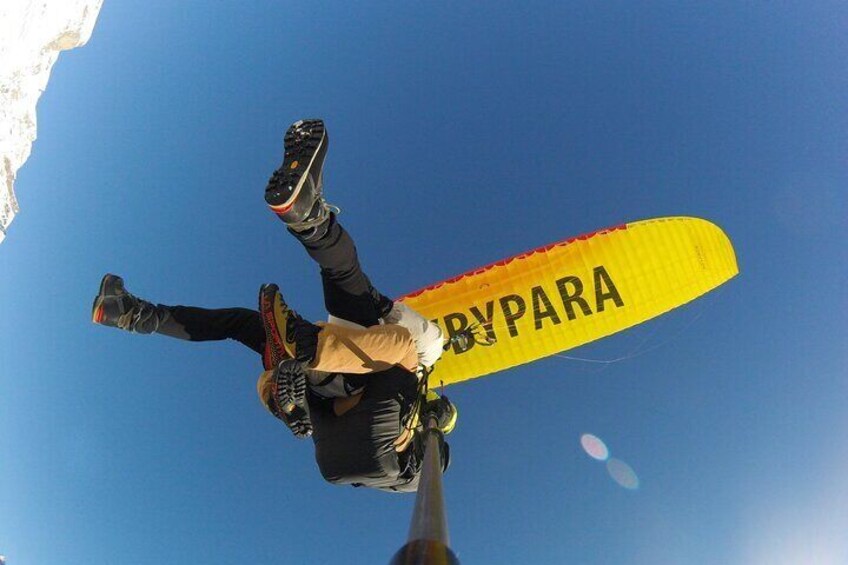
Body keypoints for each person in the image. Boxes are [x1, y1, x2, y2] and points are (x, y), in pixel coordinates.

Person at [92, 119, 456, 492]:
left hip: (372, 428)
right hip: (332, 446)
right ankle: (128, 313)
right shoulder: (401, 425)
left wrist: (438, 420)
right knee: (247, 327)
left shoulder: (423, 445)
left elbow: (430, 447)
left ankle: (309, 234)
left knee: (396, 338)